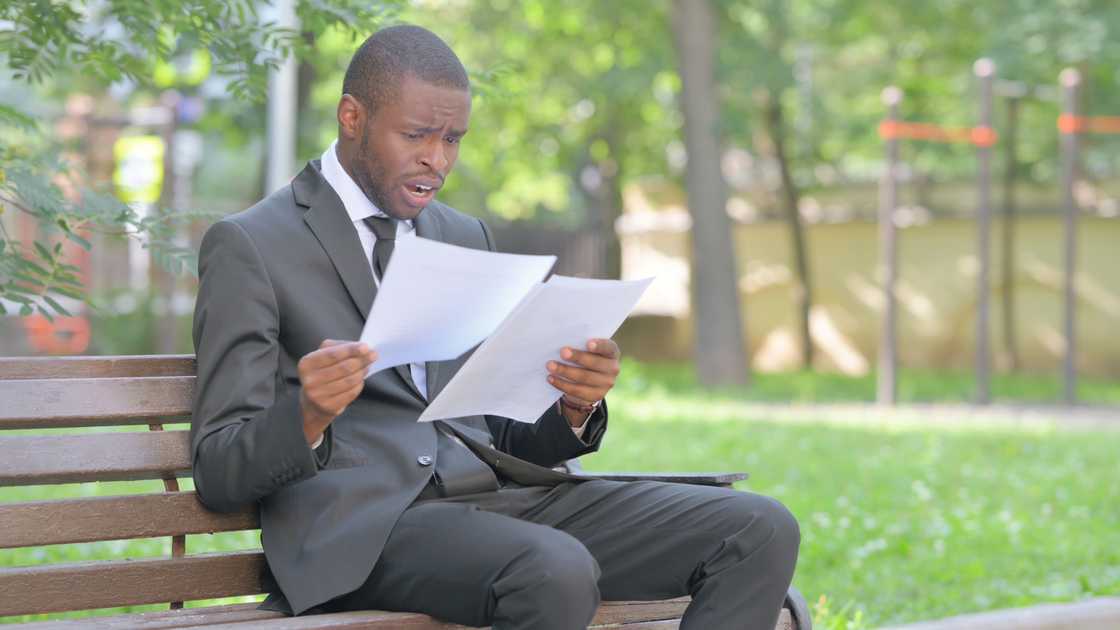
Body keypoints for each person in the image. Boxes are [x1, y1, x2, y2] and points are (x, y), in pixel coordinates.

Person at [190, 24, 799, 630]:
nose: (438, 158)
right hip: (361, 533)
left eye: (453, 138)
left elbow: (502, 431)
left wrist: (572, 406)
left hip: (502, 504)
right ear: (352, 117)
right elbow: (220, 469)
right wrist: (308, 415)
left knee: (757, 527)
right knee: (551, 569)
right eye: (416, 135)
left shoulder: (462, 235)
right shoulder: (253, 244)